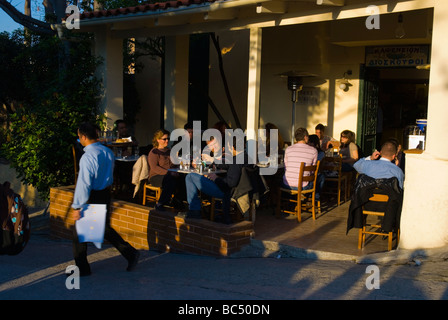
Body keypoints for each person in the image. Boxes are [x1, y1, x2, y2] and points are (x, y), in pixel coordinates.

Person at [71, 122, 139, 276]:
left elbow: (84, 183)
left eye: (79, 136)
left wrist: (77, 206)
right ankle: (130, 253)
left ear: (83, 137)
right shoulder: (107, 152)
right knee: (101, 229)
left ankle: (83, 269)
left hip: (93, 194)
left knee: (79, 234)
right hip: (105, 193)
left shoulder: (88, 156)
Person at [179, 136, 245, 224]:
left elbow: (231, 181)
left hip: (225, 191)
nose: (213, 147)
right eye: (210, 145)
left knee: (190, 177)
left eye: (215, 144)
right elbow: (223, 165)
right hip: (227, 187)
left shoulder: (231, 158)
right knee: (193, 177)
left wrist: (216, 177)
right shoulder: (244, 158)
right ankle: (214, 213)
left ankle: (195, 211)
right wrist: (204, 164)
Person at [148, 129, 183, 210]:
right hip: (156, 176)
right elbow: (154, 167)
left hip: (170, 174)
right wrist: (169, 172)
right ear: (158, 140)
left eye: (168, 139)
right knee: (170, 179)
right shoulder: (154, 152)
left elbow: (173, 164)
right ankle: (160, 203)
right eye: (164, 139)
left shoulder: (169, 151)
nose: (167, 141)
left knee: (184, 178)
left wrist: (177, 165)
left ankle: (177, 200)